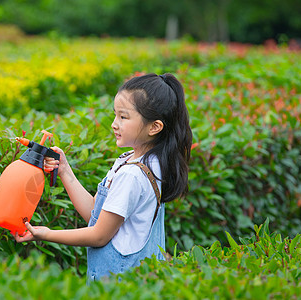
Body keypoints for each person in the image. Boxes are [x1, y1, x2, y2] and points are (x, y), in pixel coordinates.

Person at [15, 73, 193, 282]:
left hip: (118, 285)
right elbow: (97, 214)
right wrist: (64, 170)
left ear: (154, 127)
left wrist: (45, 234)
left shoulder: (132, 175)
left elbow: (99, 235)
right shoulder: (144, 162)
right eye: (115, 115)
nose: (114, 124)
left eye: (123, 117)